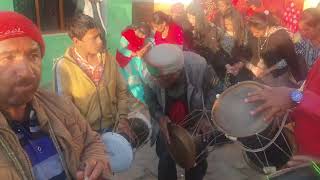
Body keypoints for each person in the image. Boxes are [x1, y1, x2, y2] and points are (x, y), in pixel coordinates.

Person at [0, 11, 110, 179]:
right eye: (6, 58)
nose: (26, 72)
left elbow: (91, 141)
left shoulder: (59, 106)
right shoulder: (64, 67)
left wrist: (95, 159)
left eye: (33, 56)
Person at [245, 8, 320, 166]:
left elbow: (309, 100)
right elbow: (310, 96)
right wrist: (290, 110)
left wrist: (293, 95)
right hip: (305, 151)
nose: (304, 34)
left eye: (307, 29)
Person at [144, 44, 223, 180]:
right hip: (167, 127)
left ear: (176, 73)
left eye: (163, 78)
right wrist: (159, 117)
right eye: (155, 77)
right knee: (165, 160)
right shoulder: (151, 74)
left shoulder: (199, 66)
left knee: (196, 162)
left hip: (196, 121)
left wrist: (206, 116)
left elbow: (217, 89)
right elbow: (150, 99)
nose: (156, 81)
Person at [54, 14, 131, 136]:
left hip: (113, 128)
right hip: (85, 134)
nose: (100, 41)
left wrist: (122, 118)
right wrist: (86, 135)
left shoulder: (109, 59)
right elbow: (66, 107)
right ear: (76, 41)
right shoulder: (64, 67)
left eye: (99, 36)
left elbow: (122, 91)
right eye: (94, 38)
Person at [227, 12, 307, 87]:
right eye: (252, 32)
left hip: (277, 75)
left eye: (257, 32)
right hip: (259, 73)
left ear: (266, 27)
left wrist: (267, 71)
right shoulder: (253, 33)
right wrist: (241, 64)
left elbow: (290, 59)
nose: (254, 35)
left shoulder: (280, 37)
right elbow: (249, 50)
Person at [116, 23, 151, 103]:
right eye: (143, 35)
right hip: (125, 61)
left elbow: (138, 47)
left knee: (139, 77)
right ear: (139, 31)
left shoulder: (140, 36)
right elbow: (121, 49)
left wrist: (143, 50)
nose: (144, 37)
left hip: (134, 60)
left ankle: (140, 96)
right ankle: (137, 98)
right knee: (132, 80)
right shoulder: (127, 35)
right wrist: (133, 53)